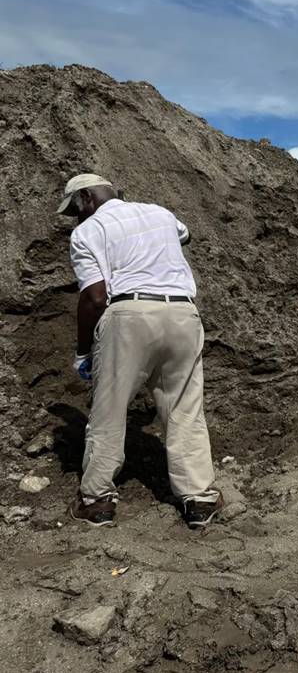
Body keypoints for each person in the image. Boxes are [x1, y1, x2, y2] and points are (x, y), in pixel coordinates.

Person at [57, 173, 223, 528]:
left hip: (129, 315)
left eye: (75, 209)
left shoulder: (87, 232)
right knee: (184, 408)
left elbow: (95, 297)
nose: (76, 218)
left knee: (109, 410)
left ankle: (97, 500)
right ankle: (199, 500)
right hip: (182, 313)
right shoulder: (159, 213)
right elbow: (186, 235)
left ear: (86, 198)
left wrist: (84, 351)